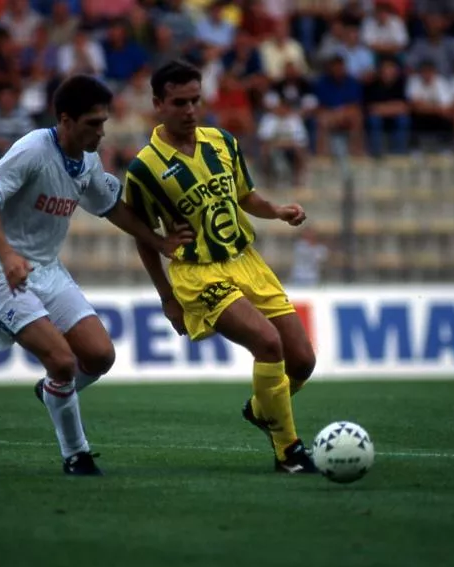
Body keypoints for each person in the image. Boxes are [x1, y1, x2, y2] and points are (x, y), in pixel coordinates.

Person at [0, 75, 192, 476]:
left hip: (48, 271)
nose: (101, 132)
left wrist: (159, 242)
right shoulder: (33, 150)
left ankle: (53, 391)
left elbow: (112, 207)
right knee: (63, 361)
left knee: (100, 356)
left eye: (103, 123)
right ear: (66, 121)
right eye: (92, 123)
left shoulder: (87, 160)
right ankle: (76, 455)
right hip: (0, 272)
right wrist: (7, 256)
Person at [125, 60, 318, 474]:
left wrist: (278, 210)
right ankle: (289, 453)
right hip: (198, 273)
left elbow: (246, 196)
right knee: (268, 345)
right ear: (159, 104)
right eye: (180, 102)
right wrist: (167, 298)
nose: (191, 110)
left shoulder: (222, 142)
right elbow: (143, 236)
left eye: (196, 100)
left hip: (246, 260)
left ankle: (259, 408)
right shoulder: (144, 168)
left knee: (302, 361)